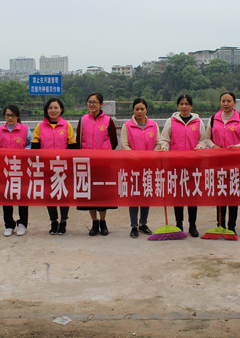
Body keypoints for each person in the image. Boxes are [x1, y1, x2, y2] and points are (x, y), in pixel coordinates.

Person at [204, 92, 240, 234]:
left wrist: (237, 147)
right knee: (220, 195)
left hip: (235, 163)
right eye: (223, 101)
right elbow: (206, 138)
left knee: (233, 196)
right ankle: (220, 225)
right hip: (218, 163)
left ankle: (232, 227)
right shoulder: (213, 119)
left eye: (229, 101)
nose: (226, 104)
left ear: (234, 103)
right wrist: (214, 147)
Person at [160, 94, 207, 237]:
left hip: (193, 165)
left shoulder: (198, 122)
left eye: (187, 104)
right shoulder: (171, 122)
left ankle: (192, 225)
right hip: (176, 165)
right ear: (178, 106)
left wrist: (200, 147)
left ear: (191, 106)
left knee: (193, 195)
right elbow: (164, 139)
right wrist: (165, 148)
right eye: (181, 104)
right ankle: (179, 224)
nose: (184, 106)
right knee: (178, 195)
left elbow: (203, 140)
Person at [31, 98, 77, 234]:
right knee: (49, 195)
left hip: (63, 166)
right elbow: (35, 147)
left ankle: (63, 221)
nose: (53, 110)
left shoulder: (67, 126)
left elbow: (72, 147)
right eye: (50, 108)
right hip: (46, 167)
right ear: (46, 110)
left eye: (56, 107)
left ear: (61, 109)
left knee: (64, 194)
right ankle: (53, 221)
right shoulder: (40, 126)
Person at [76, 92, 118, 236]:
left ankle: (103, 221)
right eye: (89, 102)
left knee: (102, 193)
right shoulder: (83, 120)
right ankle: (94, 222)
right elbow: (78, 141)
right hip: (87, 163)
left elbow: (114, 142)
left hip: (103, 163)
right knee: (90, 194)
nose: (92, 104)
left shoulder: (108, 121)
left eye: (94, 102)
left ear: (101, 104)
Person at [121, 98, 160, 238]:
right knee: (134, 196)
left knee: (146, 195)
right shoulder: (127, 126)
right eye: (137, 109)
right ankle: (134, 225)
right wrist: (136, 157)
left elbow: (158, 144)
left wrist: (151, 156)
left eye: (142, 109)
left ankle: (143, 223)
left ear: (146, 110)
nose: (139, 111)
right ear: (133, 110)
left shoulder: (153, 125)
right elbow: (124, 145)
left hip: (149, 167)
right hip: (133, 167)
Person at [0, 105, 33, 237]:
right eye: (7, 115)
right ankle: (9, 224)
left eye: (13, 115)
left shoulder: (25, 129)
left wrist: (27, 150)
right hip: (5, 169)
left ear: (18, 116)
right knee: (6, 197)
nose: (10, 118)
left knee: (22, 197)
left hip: (21, 168)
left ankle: (22, 224)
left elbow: (31, 143)